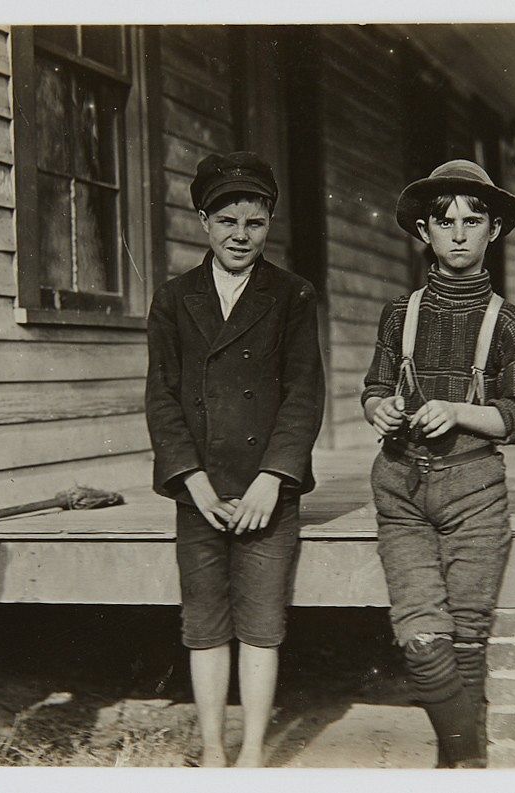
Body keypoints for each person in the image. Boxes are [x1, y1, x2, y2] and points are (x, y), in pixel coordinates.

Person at [145, 151, 325, 767]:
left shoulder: (293, 294)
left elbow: (304, 395)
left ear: (269, 222)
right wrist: (192, 484)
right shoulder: (173, 300)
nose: (240, 235)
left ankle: (251, 756)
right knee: (205, 625)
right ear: (202, 221)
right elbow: (162, 399)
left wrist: (273, 480)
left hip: (266, 493)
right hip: (202, 491)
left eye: (254, 221)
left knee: (261, 623)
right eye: (226, 222)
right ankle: (215, 753)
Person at [362, 160, 515, 768]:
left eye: (473, 220)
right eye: (445, 222)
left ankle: (456, 766)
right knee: (421, 636)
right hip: (401, 491)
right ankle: (471, 760)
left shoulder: (507, 321)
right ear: (423, 232)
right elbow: (375, 389)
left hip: (475, 492)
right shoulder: (399, 313)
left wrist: (461, 412)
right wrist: (380, 410)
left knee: (465, 636)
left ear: (493, 231)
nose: (458, 233)